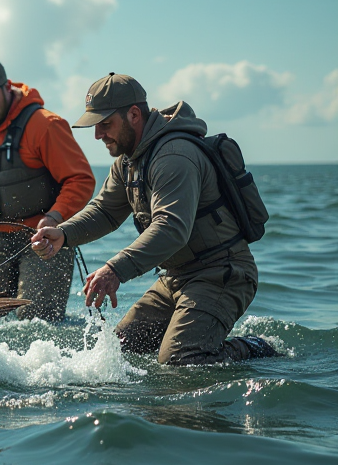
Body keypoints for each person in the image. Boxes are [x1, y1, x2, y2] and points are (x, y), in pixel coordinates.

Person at [30, 73, 277, 364]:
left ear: (134, 114)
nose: (97, 134)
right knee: (117, 352)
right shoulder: (128, 161)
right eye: (95, 125)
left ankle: (255, 349)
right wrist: (64, 234)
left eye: (105, 124)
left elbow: (172, 228)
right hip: (176, 277)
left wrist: (114, 270)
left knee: (181, 360)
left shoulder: (174, 156)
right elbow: (106, 211)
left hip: (222, 274)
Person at [0, 58, 95, 322]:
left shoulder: (46, 125)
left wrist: (55, 217)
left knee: (36, 321)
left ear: (6, 87)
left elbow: (80, 180)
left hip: (45, 239)